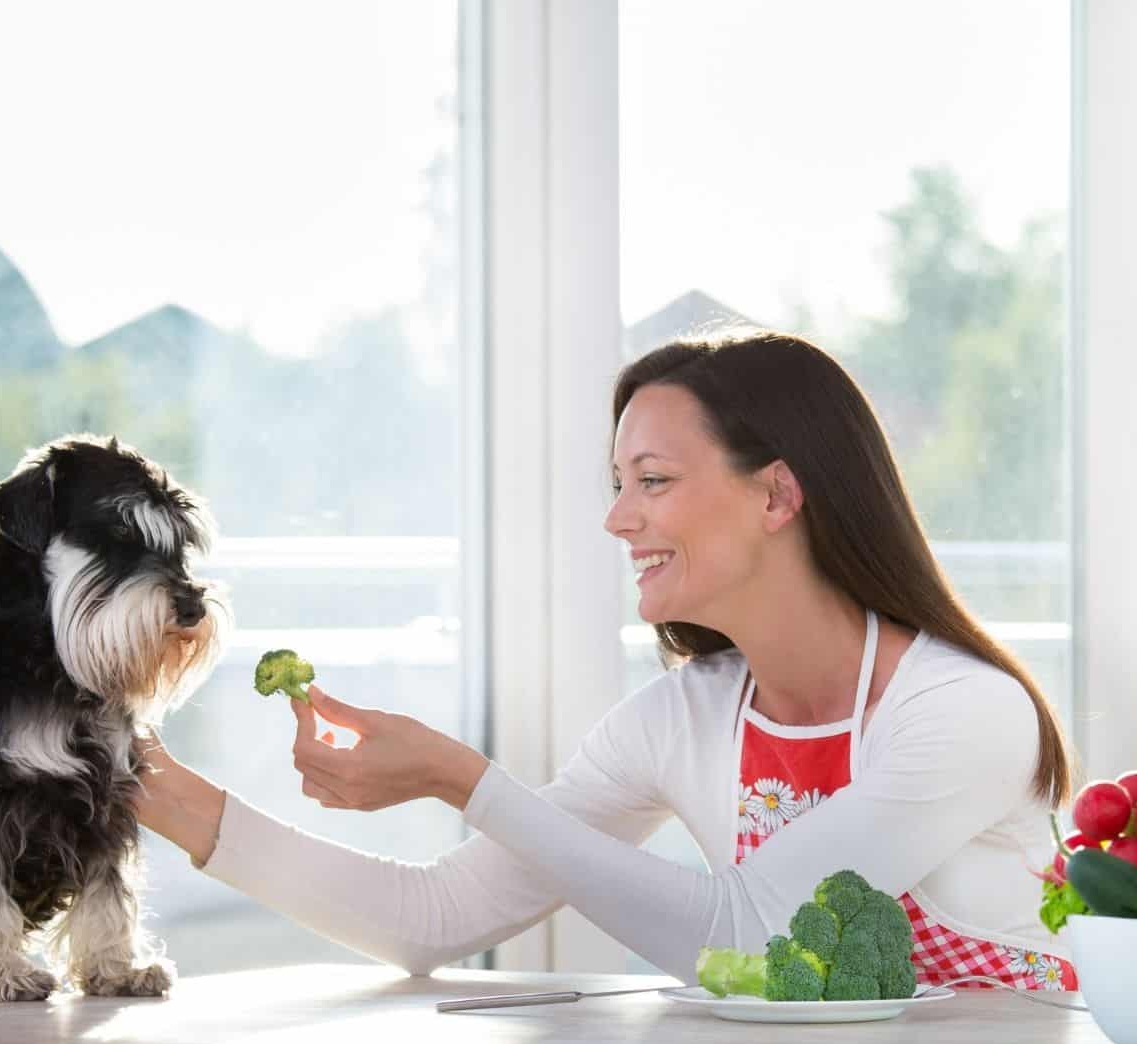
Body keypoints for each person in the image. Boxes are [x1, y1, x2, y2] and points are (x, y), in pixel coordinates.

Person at [137, 329, 1078, 991]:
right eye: (618, 483)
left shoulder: (964, 710)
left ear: (778, 494)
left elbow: (751, 933)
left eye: (654, 482)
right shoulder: (684, 719)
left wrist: (464, 782)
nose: (617, 517)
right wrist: (148, 783)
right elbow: (426, 920)